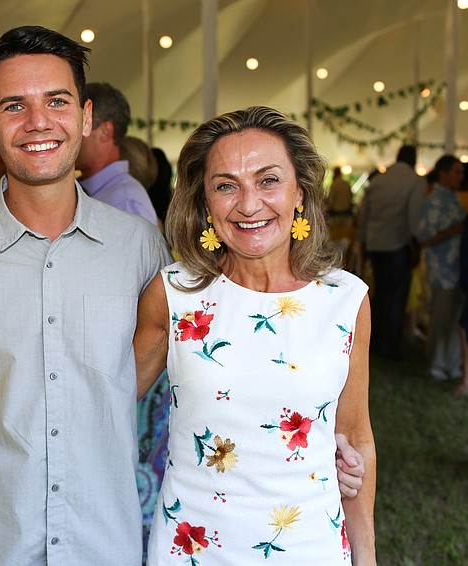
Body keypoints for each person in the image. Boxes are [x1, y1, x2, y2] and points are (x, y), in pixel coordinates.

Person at [0, 26, 172, 565]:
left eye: (57, 101)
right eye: (14, 106)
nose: (37, 123)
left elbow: (156, 349)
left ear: (84, 115)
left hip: (104, 541)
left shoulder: (140, 247)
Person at [135, 106, 376, 564]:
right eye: (226, 185)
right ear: (205, 204)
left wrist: (366, 557)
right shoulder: (172, 295)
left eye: (268, 180)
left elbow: (356, 438)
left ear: (300, 194)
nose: (249, 205)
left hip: (309, 547)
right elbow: (107, 402)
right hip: (193, 549)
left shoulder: (345, 300)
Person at [357, 145, 425, 359]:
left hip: (376, 244)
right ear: (413, 159)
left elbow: (363, 215)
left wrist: (364, 242)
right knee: (396, 298)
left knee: (379, 295)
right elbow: (413, 217)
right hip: (397, 245)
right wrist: (416, 244)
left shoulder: (379, 180)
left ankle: (374, 342)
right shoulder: (415, 181)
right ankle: (390, 347)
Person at [75, 82, 159, 226]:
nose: (71, 135)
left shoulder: (125, 202)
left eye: (81, 126)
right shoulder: (91, 192)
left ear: (105, 132)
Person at [415, 154, 466, 381]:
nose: (461, 176)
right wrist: (456, 230)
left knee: (455, 320)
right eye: (456, 172)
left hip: (459, 270)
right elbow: (424, 237)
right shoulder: (434, 200)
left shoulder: (454, 198)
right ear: (443, 174)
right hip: (443, 271)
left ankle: (452, 365)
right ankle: (436, 365)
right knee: (440, 318)